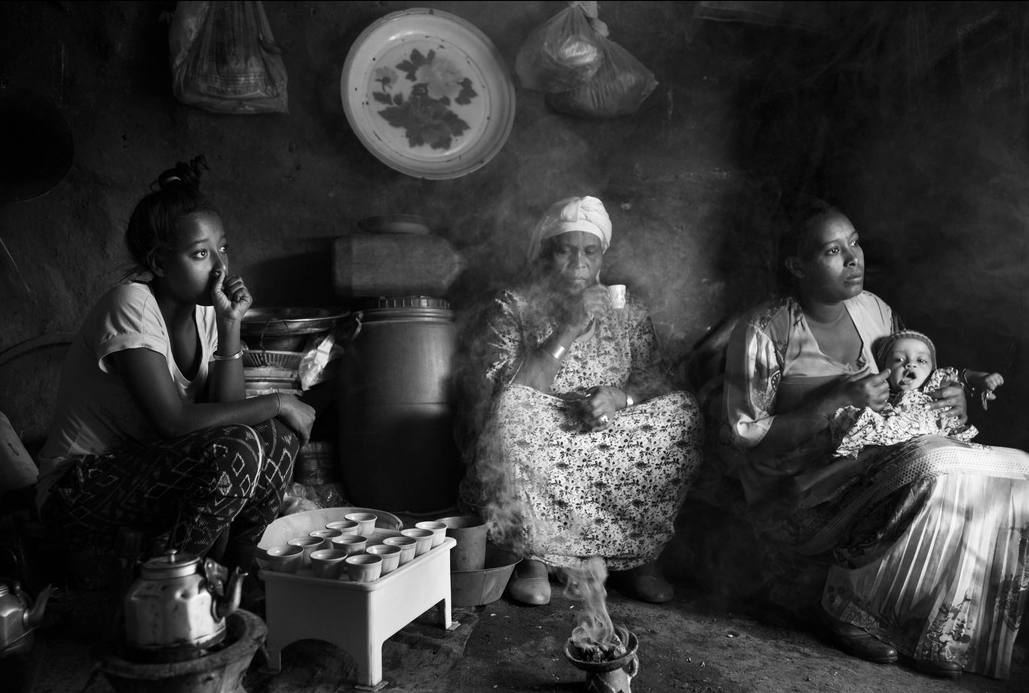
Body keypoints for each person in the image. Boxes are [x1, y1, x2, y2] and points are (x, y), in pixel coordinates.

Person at [719, 198, 1029, 680]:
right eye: (832, 250)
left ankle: (941, 627)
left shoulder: (877, 312)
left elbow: (915, 382)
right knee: (932, 463)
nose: (853, 258)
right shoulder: (765, 329)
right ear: (797, 266)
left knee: (1014, 471)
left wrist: (951, 400)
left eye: (855, 243)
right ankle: (849, 606)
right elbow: (748, 439)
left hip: (875, 465)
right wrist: (833, 398)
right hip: (797, 490)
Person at [35, 156, 315, 578]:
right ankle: (171, 590)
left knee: (276, 437)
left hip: (152, 471)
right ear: (161, 263)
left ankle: (238, 586)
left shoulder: (206, 312)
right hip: (79, 491)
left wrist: (230, 324)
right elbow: (173, 421)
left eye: (222, 247)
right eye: (201, 254)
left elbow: (231, 414)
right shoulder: (129, 304)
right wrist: (277, 399)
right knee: (242, 441)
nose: (221, 267)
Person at [457, 195, 704, 606]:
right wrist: (569, 327)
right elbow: (508, 391)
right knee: (513, 412)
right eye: (565, 252)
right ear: (544, 255)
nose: (579, 264)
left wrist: (619, 398)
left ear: (602, 257)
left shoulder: (627, 309)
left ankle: (635, 559)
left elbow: (656, 380)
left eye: (589, 252)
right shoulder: (514, 306)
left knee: (682, 415)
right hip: (545, 429)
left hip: (610, 431)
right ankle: (531, 558)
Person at [828, 329, 1004, 458]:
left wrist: (982, 379)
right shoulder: (883, 398)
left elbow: (962, 375)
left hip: (943, 446)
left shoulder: (936, 385)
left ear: (932, 370)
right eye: (899, 360)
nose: (910, 365)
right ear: (885, 371)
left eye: (921, 360)